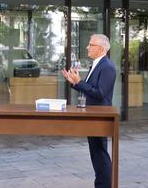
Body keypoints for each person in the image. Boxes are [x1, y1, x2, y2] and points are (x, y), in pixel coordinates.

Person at [62, 34, 116, 188]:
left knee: (100, 154)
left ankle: (104, 185)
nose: (87, 47)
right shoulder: (97, 64)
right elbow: (90, 88)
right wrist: (75, 82)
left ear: (100, 48)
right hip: (92, 115)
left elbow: (99, 93)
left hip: (99, 116)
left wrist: (79, 82)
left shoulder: (108, 67)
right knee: (96, 154)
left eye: (90, 45)